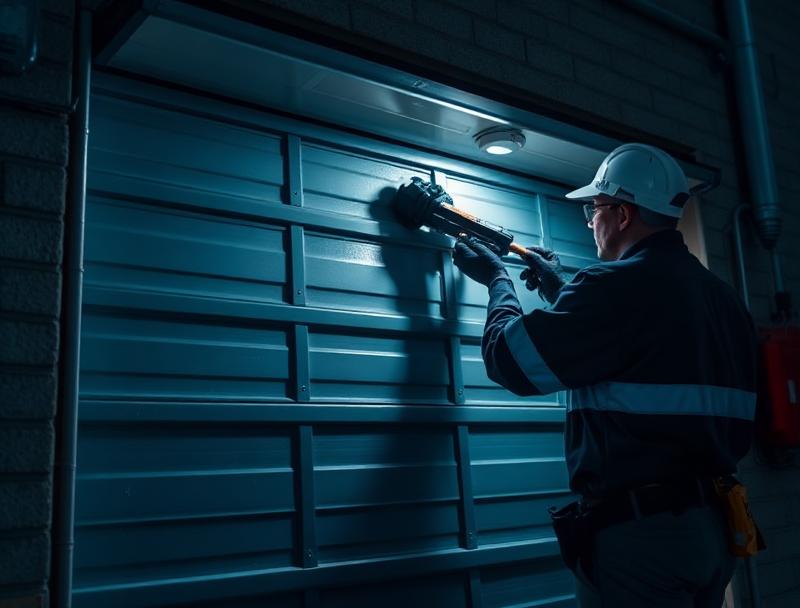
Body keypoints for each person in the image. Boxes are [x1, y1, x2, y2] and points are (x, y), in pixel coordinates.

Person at [452, 143, 757, 607]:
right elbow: (643, 350)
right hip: (712, 530)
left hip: (643, 541)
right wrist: (562, 287)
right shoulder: (723, 299)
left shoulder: (617, 287)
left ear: (622, 213)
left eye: (593, 209)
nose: (591, 221)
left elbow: (509, 362)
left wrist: (498, 281)